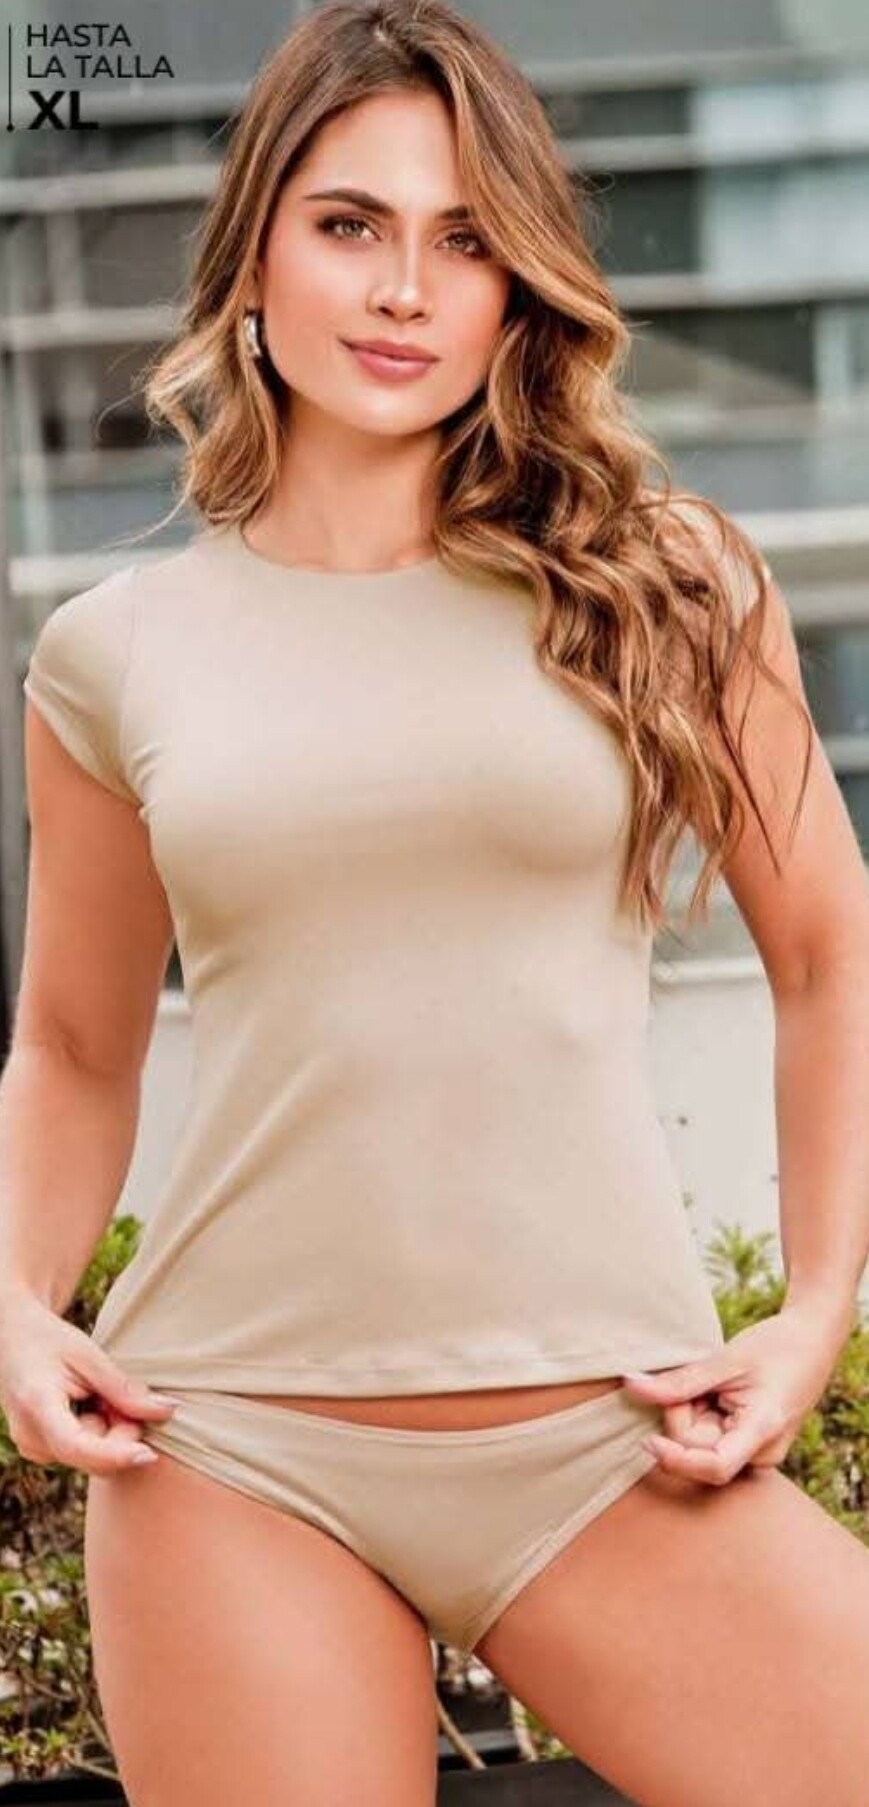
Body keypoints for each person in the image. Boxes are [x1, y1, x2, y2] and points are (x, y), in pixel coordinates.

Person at [3, 1, 869, 1800]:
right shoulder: (112, 652)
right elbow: (77, 1044)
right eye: (351, 225)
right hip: (230, 1444)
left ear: (517, 289)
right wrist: (12, 1298)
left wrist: (811, 1311)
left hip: (616, 1435)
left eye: (465, 240)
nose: (405, 289)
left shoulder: (667, 583)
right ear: (253, 253)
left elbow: (825, 954)